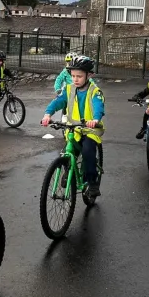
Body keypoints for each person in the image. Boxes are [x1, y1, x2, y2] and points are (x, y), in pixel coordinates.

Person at [41, 55, 105, 197]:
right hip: (74, 129)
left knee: (88, 152)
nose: (75, 79)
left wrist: (95, 119)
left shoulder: (94, 91)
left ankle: (92, 181)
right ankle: (67, 171)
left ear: (89, 75)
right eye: (73, 76)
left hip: (90, 129)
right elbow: (57, 101)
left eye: (79, 76)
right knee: (67, 152)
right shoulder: (69, 89)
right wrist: (47, 114)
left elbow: (98, 106)